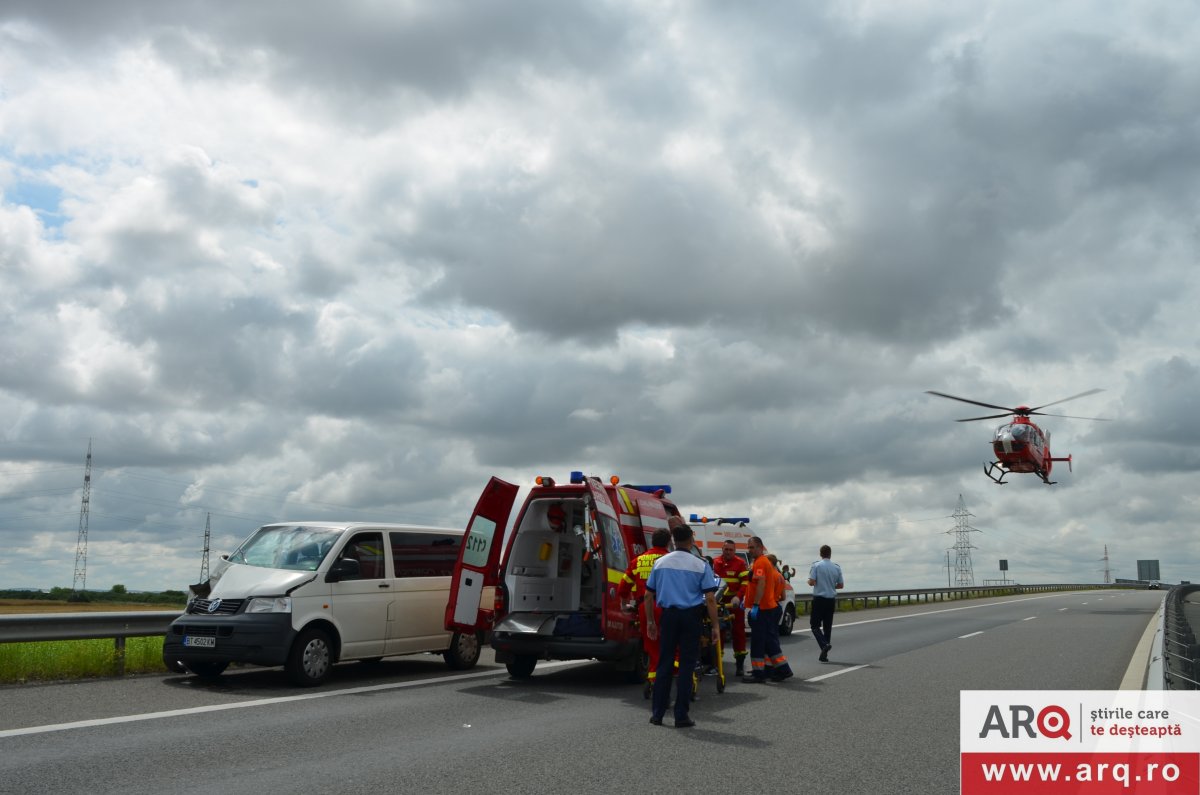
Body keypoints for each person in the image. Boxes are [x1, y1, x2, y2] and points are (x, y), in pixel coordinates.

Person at [644, 517, 720, 728]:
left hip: (668, 616)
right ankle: (681, 716)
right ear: (691, 540)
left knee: (664, 664)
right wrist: (715, 626)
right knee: (686, 666)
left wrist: (651, 620)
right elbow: (711, 598)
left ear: (673, 540)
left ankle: (657, 714)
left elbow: (648, 596)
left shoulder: (660, 563)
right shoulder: (700, 565)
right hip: (690, 617)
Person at [618, 527, 672, 697]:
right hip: (668, 607)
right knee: (670, 645)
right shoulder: (670, 559)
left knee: (652, 646)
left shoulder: (638, 560)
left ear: (652, 542)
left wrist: (624, 603)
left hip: (645, 608)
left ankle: (653, 679)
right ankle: (664, 681)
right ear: (668, 542)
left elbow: (623, 586)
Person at [742, 536, 794, 683]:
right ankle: (776, 669)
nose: (750, 550)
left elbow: (761, 584)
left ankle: (761, 673)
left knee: (760, 641)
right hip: (767, 606)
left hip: (763, 607)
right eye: (749, 547)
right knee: (768, 640)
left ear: (760, 547)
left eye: (752, 547)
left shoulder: (760, 563)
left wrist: (756, 605)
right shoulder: (761, 562)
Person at [711, 539, 749, 677]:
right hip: (718, 602)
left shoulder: (740, 563)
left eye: (731, 550)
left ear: (734, 550)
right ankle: (716, 664)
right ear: (722, 549)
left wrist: (738, 596)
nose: (728, 552)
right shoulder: (714, 563)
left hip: (735, 603)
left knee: (738, 633)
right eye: (726, 549)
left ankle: (739, 665)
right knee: (717, 631)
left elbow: (745, 582)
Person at [808, 544, 844, 662]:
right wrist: (830, 585)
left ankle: (824, 644)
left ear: (820, 554)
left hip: (819, 599)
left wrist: (809, 581)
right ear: (830, 554)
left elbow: (812, 582)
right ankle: (824, 654)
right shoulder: (836, 567)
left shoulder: (816, 565)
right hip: (831, 600)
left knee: (814, 625)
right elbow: (840, 585)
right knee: (827, 627)